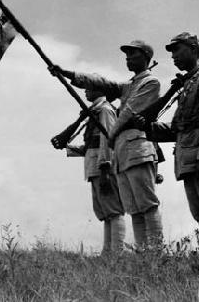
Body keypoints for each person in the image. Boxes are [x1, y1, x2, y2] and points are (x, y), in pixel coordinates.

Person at [50, 41, 164, 249]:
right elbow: (101, 82)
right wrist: (68, 74)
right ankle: (144, 255)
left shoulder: (151, 82)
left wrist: (111, 135)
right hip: (123, 151)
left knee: (147, 204)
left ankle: (156, 251)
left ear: (146, 57)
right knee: (134, 208)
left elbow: (129, 111)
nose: (128, 58)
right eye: (127, 54)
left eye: (133, 54)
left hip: (139, 148)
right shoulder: (129, 85)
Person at [145, 33, 199, 266]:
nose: (173, 56)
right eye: (172, 51)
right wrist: (148, 127)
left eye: (178, 49)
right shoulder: (188, 84)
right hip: (187, 157)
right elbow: (179, 127)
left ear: (194, 49)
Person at [52, 87, 125, 253]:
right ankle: (108, 253)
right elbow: (91, 145)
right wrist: (68, 148)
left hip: (103, 167)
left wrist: (105, 168)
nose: (86, 91)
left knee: (113, 210)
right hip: (95, 166)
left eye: (89, 87)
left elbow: (107, 140)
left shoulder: (104, 110)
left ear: (100, 90)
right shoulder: (95, 111)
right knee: (106, 212)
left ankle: (117, 253)